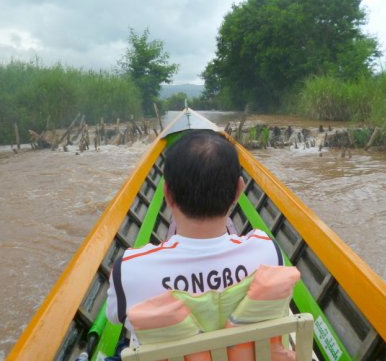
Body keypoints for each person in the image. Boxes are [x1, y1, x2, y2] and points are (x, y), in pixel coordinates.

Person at [106, 130, 283, 336]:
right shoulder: (268, 252)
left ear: (167, 194)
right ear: (238, 191)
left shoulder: (128, 270)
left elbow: (113, 318)